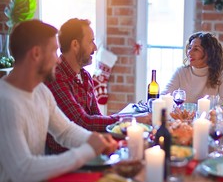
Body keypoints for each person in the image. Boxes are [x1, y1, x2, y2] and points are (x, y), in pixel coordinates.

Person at [0, 20, 118, 182]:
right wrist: (87, 151)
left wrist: (92, 140)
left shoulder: (40, 91)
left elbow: (64, 131)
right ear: (36, 54)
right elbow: (23, 171)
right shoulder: (6, 101)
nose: (58, 59)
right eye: (54, 51)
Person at [45, 18, 150, 154]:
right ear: (75, 45)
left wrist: (119, 128)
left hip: (89, 148)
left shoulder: (85, 76)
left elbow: (96, 118)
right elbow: (83, 122)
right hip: (67, 155)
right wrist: (129, 120)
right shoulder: (57, 77)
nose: (94, 48)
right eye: (90, 41)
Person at [161, 31, 223, 105]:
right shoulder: (181, 71)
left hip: (208, 116)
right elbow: (164, 96)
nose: (189, 52)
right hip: (185, 116)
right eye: (189, 48)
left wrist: (199, 107)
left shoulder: (221, 71)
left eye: (196, 49)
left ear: (209, 53)